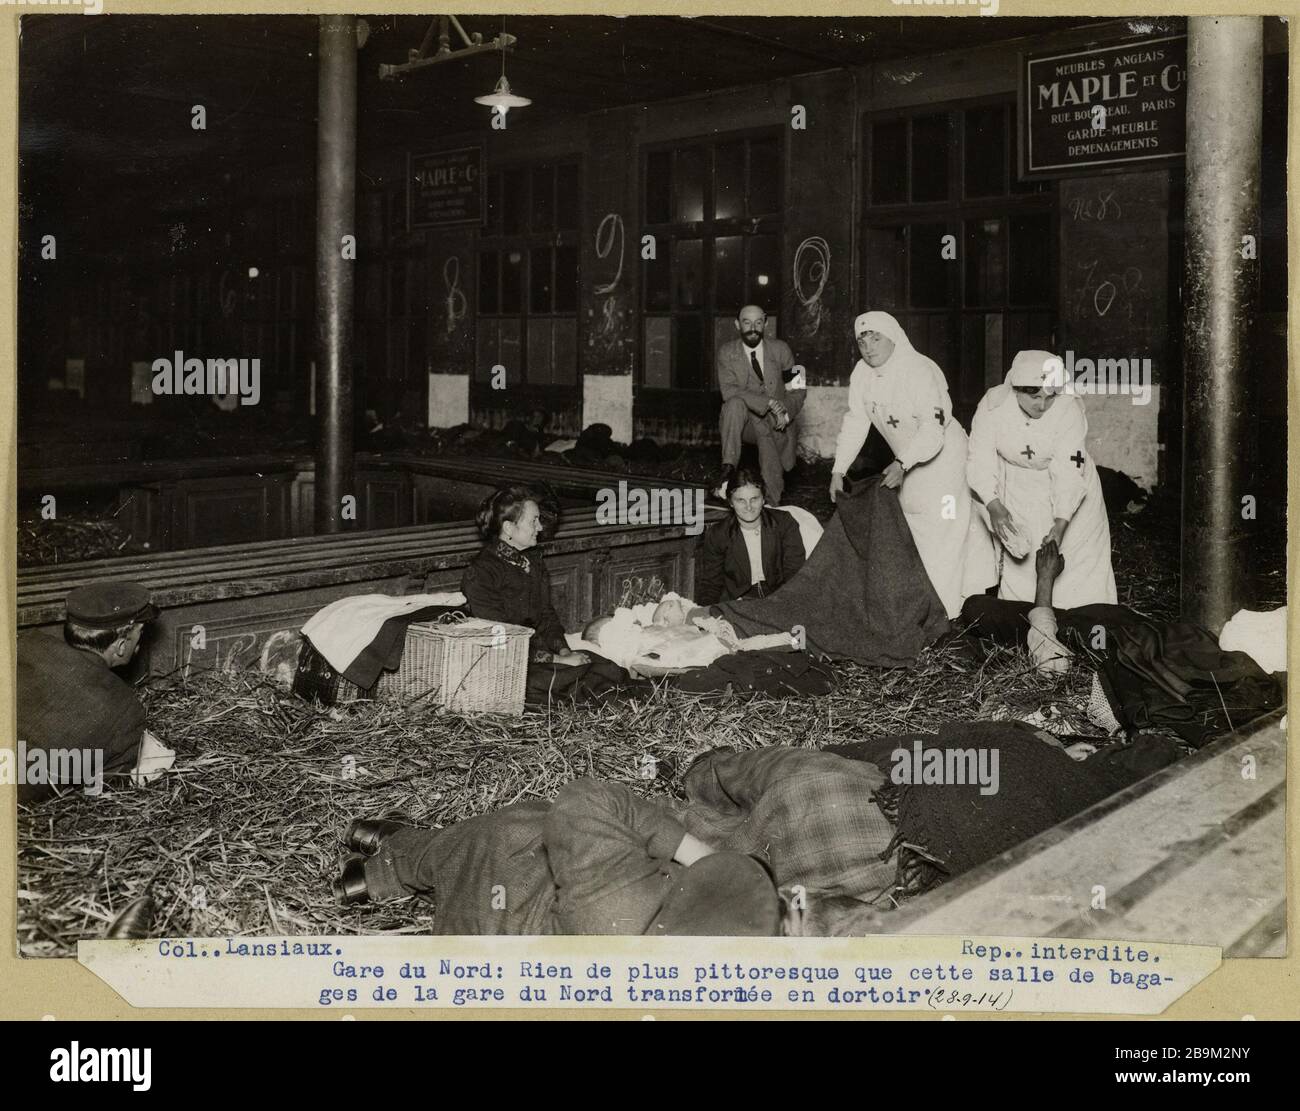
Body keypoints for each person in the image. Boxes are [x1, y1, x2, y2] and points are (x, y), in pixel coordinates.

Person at [333, 779, 784, 937]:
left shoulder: (628, 901)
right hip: (488, 943)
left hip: (498, 897)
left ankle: (391, 863)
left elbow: (585, 800)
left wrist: (696, 852)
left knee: (525, 825)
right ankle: (383, 865)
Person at [830, 311, 994, 618]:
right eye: (861, 340)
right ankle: (939, 600)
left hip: (943, 457)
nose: (868, 346)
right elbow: (855, 421)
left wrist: (902, 462)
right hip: (906, 461)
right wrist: (838, 468)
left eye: (875, 337)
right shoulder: (861, 374)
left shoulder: (918, 369)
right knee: (914, 527)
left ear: (893, 337)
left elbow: (934, 429)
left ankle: (943, 612)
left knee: (943, 527)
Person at [967, 349, 1117, 608]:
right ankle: (1029, 623)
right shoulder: (993, 406)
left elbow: (1069, 470)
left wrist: (1060, 523)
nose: (1042, 405)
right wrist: (993, 504)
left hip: (1071, 491)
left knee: (1076, 556)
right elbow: (979, 457)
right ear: (1016, 389)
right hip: (1017, 486)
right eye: (1034, 396)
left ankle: (1084, 621)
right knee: (1022, 558)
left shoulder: (1068, 408)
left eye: (1050, 397)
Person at [16, 581, 160, 801]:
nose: (140, 643)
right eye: (139, 633)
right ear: (121, 646)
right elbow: (107, 787)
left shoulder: (25, 645)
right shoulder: (127, 712)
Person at [460, 485, 588, 667]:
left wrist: (565, 651)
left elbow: (546, 616)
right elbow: (499, 639)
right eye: (534, 521)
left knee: (604, 668)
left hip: (538, 654)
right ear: (509, 528)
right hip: (507, 664)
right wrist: (558, 660)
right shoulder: (482, 572)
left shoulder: (533, 561)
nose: (540, 527)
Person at [715, 304, 806, 505]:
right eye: (747, 322)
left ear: (765, 323)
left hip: (777, 423)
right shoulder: (726, 352)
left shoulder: (782, 349)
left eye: (758, 322)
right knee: (734, 404)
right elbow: (729, 391)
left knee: (766, 436)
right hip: (743, 422)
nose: (753, 328)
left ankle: (771, 503)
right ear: (737, 325)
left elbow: (799, 389)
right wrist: (769, 403)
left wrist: (784, 411)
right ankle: (728, 467)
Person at [695, 466, 807, 606]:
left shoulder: (784, 523)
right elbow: (711, 584)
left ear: (763, 499)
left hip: (778, 598)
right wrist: (705, 616)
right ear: (730, 502)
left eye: (754, 499)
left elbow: (795, 573)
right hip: (738, 602)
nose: (748, 507)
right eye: (740, 500)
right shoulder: (718, 534)